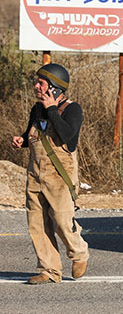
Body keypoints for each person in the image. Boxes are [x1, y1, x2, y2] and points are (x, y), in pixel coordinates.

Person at [11, 63, 89, 284]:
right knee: (37, 223)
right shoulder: (36, 109)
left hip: (59, 175)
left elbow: (67, 138)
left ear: (54, 88)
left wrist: (52, 109)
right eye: (36, 82)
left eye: (41, 83)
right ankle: (49, 270)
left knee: (62, 220)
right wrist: (21, 140)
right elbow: (33, 135)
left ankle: (79, 252)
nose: (36, 86)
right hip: (34, 174)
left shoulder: (72, 109)